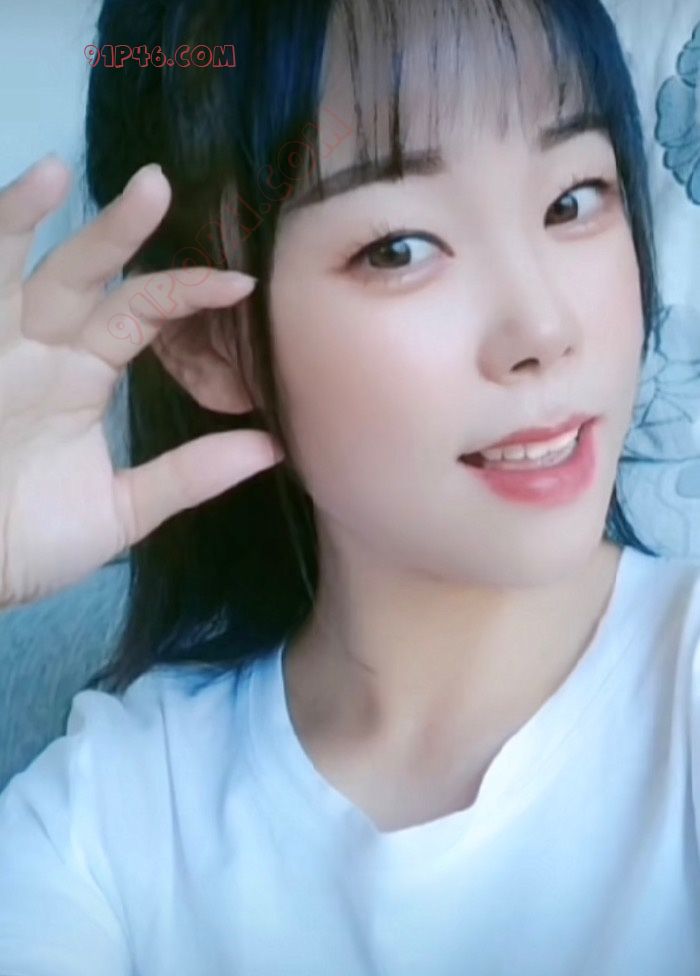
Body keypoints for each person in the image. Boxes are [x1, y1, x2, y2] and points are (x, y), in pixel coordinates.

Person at [0, 0, 699, 973]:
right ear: (211, 341)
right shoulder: (114, 817)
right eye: (399, 248)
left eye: (572, 201)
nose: (544, 328)